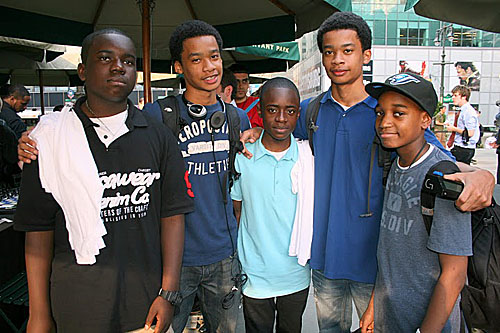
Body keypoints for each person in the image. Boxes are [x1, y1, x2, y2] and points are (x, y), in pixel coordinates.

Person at [240, 11, 494, 333]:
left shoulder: (387, 117)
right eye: (329, 52)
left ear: (366, 55)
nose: (337, 59)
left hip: (374, 265)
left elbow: (434, 158)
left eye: (348, 50)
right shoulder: (308, 112)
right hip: (324, 261)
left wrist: (482, 175)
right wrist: (250, 135)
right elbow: (275, 132)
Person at [14, 29, 194, 332]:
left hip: (145, 304)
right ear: (83, 70)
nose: (117, 67)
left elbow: (172, 216)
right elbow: (38, 234)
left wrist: (168, 293)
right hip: (77, 305)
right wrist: (39, 314)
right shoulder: (49, 141)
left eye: (127, 61)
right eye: (105, 58)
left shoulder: (158, 136)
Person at [144, 20, 250, 333]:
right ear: (178, 66)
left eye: (214, 56)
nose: (209, 67)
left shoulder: (235, 118)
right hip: (173, 260)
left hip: (224, 257)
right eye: (196, 59)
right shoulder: (157, 115)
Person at [360, 72, 471, 333]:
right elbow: (390, 252)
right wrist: (375, 306)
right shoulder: (394, 165)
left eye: (398, 113)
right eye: (380, 113)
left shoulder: (442, 178)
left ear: (425, 120)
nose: (385, 122)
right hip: (391, 317)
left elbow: (454, 273)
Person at [232, 77, 312, 333]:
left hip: (296, 273)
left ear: (297, 114)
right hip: (255, 274)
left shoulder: (309, 156)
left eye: (290, 111)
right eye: (272, 109)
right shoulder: (244, 156)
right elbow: (238, 210)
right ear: (259, 111)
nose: (281, 118)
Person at [447, 85, 480, 164]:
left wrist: (453, 128)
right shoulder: (463, 110)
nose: (453, 98)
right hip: (460, 147)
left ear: (464, 97)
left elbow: (470, 133)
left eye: (455, 95)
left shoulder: (468, 111)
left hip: (464, 148)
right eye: (452, 95)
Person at [229, 63, 263, 128]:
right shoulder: (222, 106)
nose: (241, 86)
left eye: (244, 81)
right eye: (236, 82)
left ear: (248, 84)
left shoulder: (259, 104)